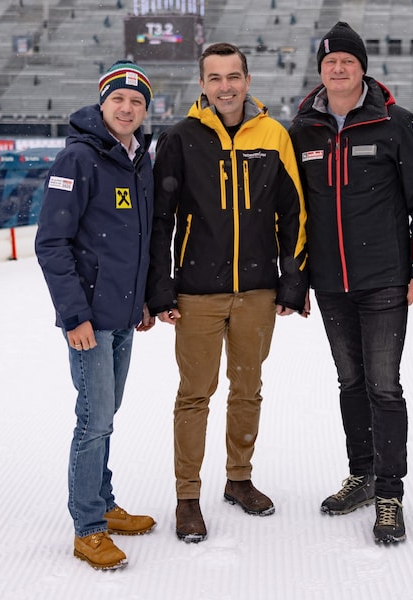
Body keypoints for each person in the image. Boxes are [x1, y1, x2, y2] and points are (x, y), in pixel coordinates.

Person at [288, 22, 413, 544]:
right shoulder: (302, 130)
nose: (338, 69)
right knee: (350, 384)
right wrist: (297, 280)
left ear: (361, 68)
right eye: (330, 62)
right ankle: (362, 474)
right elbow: (294, 213)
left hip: (384, 280)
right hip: (331, 283)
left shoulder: (395, 124)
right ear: (320, 70)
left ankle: (390, 495)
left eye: (347, 61)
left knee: (384, 386)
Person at [147, 42, 308, 543]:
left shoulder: (273, 135)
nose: (225, 86)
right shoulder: (180, 138)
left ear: (248, 79)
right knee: (194, 395)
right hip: (197, 292)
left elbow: (293, 212)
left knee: (247, 390)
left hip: (258, 291)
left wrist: (293, 280)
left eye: (233, 76)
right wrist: (161, 288)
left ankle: (239, 479)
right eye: (214, 78)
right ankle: (187, 496)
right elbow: (160, 220)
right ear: (202, 85)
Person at [35, 60, 157, 570]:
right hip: (89, 321)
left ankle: (103, 505)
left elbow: (138, 241)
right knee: (94, 421)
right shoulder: (78, 159)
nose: (127, 109)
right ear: (102, 103)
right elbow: (52, 244)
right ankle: (88, 526)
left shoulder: (138, 160)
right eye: (118, 100)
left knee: (105, 419)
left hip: (123, 316)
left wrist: (141, 301)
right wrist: (74, 317)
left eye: (137, 102)